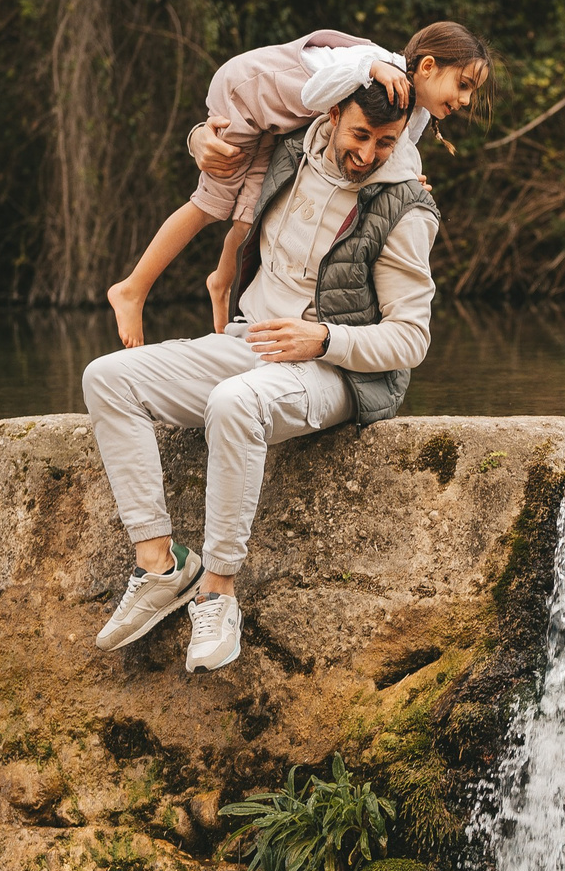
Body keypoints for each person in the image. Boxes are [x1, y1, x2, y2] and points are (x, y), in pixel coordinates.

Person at [79, 76, 438, 672]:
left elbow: (412, 339)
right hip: (251, 341)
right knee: (107, 377)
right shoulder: (289, 149)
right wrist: (199, 138)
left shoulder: (406, 205)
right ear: (330, 114)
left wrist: (325, 337)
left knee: (235, 402)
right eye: (360, 134)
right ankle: (161, 567)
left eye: (386, 141)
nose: (368, 153)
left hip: (334, 371)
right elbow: (228, 124)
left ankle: (218, 591)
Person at [106, 20, 491, 348]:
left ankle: (220, 284)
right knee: (212, 205)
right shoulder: (379, 68)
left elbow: (399, 154)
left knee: (247, 218)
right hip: (247, 93)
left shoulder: (413, 110)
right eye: (463, 85)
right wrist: (368, 69)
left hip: (271, 122)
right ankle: (132, 289)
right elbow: (314, 94)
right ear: (426, 66)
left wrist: (412, 188)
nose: (466, 99)